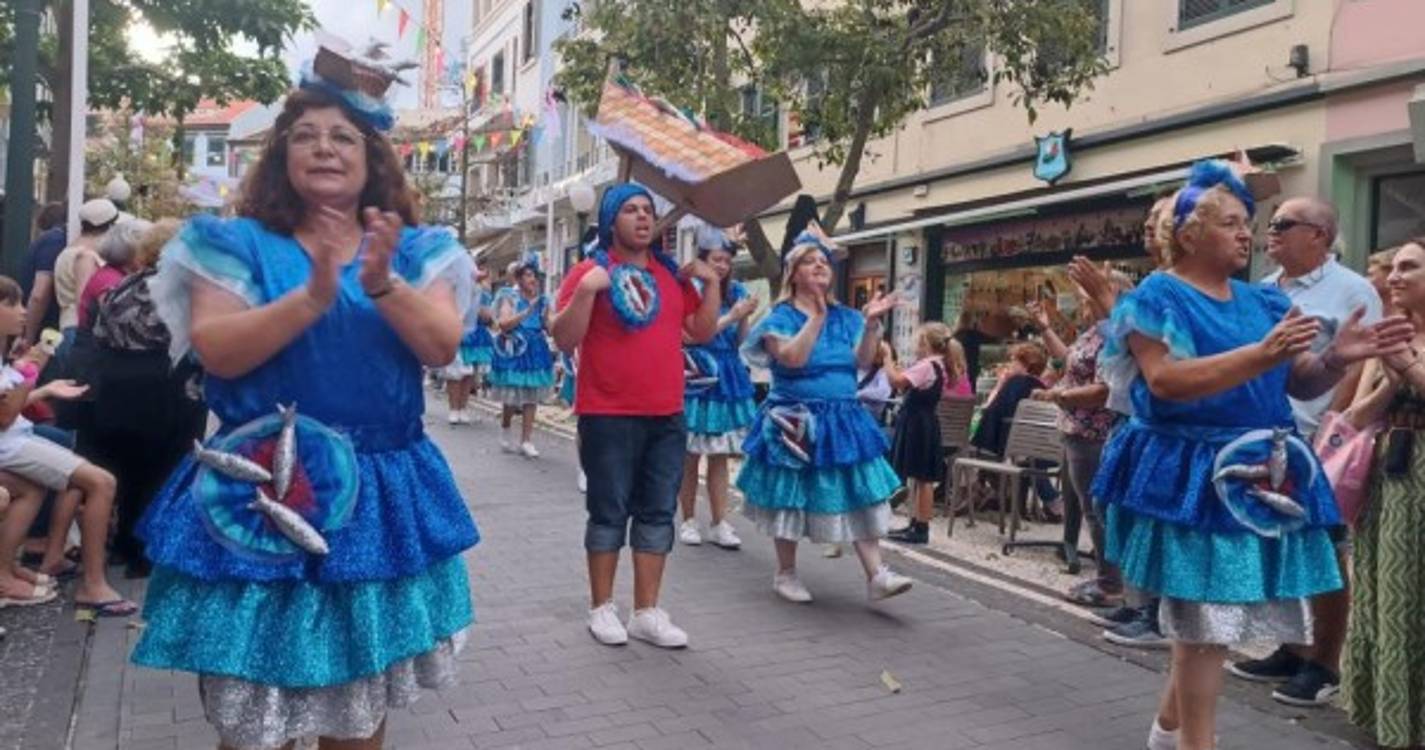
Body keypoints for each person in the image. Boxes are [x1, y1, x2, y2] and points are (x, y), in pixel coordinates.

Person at [128, 63, 479, 749]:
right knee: (253, 710)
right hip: (261, 487)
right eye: (307, 136)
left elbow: (441, 345)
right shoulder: (231, 245)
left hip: (377, 489)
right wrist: (312, 298)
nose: (325, 148)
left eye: (344, 138)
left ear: (371, 158)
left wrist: (381, 285)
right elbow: (219, 350)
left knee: (356, 702)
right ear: (281, 154)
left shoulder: (419, 251)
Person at [1090, 161, 1411, 750]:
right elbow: (1165, 382)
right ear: (1189, 234)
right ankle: (1194, 743)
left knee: (1212, 617)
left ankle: (1166, 731)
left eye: (1250, 223)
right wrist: (1262, 356)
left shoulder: (1262, 303)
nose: (1248, 234)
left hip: (1261, 472)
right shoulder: (1157, 296)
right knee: (1206, 620)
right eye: (1233, 223)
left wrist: (1339, 357)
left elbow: (1298, 383)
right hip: (1189, 472)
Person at [1225, 197, 1383, 707]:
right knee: (1281, 543)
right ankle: (1291, 646)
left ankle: (1325, 662)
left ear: (1319, 234)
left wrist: (1331, 430)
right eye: (1268, 224)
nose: (1270, 232)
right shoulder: (1263, 290)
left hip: (1319, 440)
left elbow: (1361, 362)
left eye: (1283, 224)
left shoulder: (1353, 289)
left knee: (1327, 550)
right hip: (1269, 440)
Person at [552, 183, 721, 649]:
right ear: (611, 222)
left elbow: (700, 332)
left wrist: (712, 285)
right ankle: (602, 607)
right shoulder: (590, 271)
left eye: (648, 210)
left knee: (657, 511)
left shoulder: (670, 276)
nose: (643, 218)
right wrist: (586, 292)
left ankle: (646, 611)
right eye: (630, 210)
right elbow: (563, 338)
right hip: (607, 413)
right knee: (607, 511)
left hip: (666, 413)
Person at [736, 224, 914, 604]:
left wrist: (870, 326)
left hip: (843, 416)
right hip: (795, 417)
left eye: (824, 261)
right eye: (810, 261)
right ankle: (785, 573)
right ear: (793, 273)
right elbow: (793, 359)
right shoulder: (779, 318)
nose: (820, 266)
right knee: (791, 491)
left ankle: (876, 574)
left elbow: (863, 362)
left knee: (858, 488)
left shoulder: (848, 316)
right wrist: (815, 318)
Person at [1339, 237, 1425, 749]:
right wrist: (1391, 376)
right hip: (1391, 481)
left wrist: (1407, 364)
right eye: (1391, 267)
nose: (1394, 276)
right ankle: (1396, 720)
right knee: (1389, 594)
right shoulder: (1389, 336)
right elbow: (1354, 417)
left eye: (1408, 267)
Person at [0, 276, 130, 614]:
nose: (23, 311)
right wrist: (33, 373)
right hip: (8, 443)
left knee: (32, 487)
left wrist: (37, 383)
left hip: (15, 439)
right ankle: (94, 584)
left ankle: (9, 569)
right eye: (13, 303)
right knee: (102, 482)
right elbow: (5, 416)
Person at [83, 219, 204, 579]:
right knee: (165, 470)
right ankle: (147, 552)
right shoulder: (182, 291)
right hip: (166, 389)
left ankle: (123, 544)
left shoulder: (124, 287)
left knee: (129, 469)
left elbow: (100, 333)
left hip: (117, 388)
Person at [1029, 272, 1133, 609]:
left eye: (1087, 299)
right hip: (1076, 432)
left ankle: (1112, 584)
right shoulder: (1096, 333)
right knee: (1093, 509)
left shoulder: (1115, 337)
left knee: (1096, 510)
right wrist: (1045, 328)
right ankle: (1110, 579)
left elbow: (1105, 390)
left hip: (1093, 434)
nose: (1083, 306)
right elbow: (1070, 362)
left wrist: (1060, 396)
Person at [677, 228, 758, 550]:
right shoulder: (690, 289)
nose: (722, 266)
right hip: (697, 374)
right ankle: (687, 519)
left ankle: (719, 521)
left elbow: (741, 343)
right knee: (690, 454)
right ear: (702, 261)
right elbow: (691, 335)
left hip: (727, 374)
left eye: (726, 260)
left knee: (721, 455)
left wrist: (743, 318)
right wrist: (731, 317)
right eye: (715, 260)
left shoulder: (736, 290)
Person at [884, 321, 958, 545]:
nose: (914, 346)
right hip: (926, 421)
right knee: (919, 477)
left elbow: (897, 382)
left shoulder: (926, 365)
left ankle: (921, 527)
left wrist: (887, 358)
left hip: (917, 422)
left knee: (922, 478)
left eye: (917, 341)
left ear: (925, 343)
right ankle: (916, 522)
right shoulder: (940, 365)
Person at [489, 255, 554, 457]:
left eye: (534, 275)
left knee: (532, 395)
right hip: (515, 349)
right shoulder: (509, 296)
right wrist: (526, 312)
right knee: (512, 394)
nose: (532, 279)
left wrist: (551, 317)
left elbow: (549, 328)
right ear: (518, 278)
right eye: (527, 275)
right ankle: (506, 427)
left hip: (536, 349)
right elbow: (504, 324)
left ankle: (526, 440)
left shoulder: (542, 300)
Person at [54, 199, 118, 341]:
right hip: (79, 331)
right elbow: (84, 300)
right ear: (111, 226)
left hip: (68, 326)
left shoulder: (67, 252)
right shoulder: (86, 257)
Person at [442, 265, 493, 426]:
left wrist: (485, 311)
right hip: (458, 330)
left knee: (469, 372)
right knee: (455, 372)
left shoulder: (483, 290)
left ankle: (463, 407)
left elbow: (486, 314)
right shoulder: (456, 286)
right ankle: (453, 408)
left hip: (476, 333)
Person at [79, 219, 150, 329]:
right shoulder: (110, 280)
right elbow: (117, 322)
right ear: (130, 251)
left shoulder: (114, 274)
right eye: (146, 249)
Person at [20, 202, 67, 346]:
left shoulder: (46, 241)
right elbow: (39, 295)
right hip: (45, 330)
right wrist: (28, 338)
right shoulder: (54, 241)